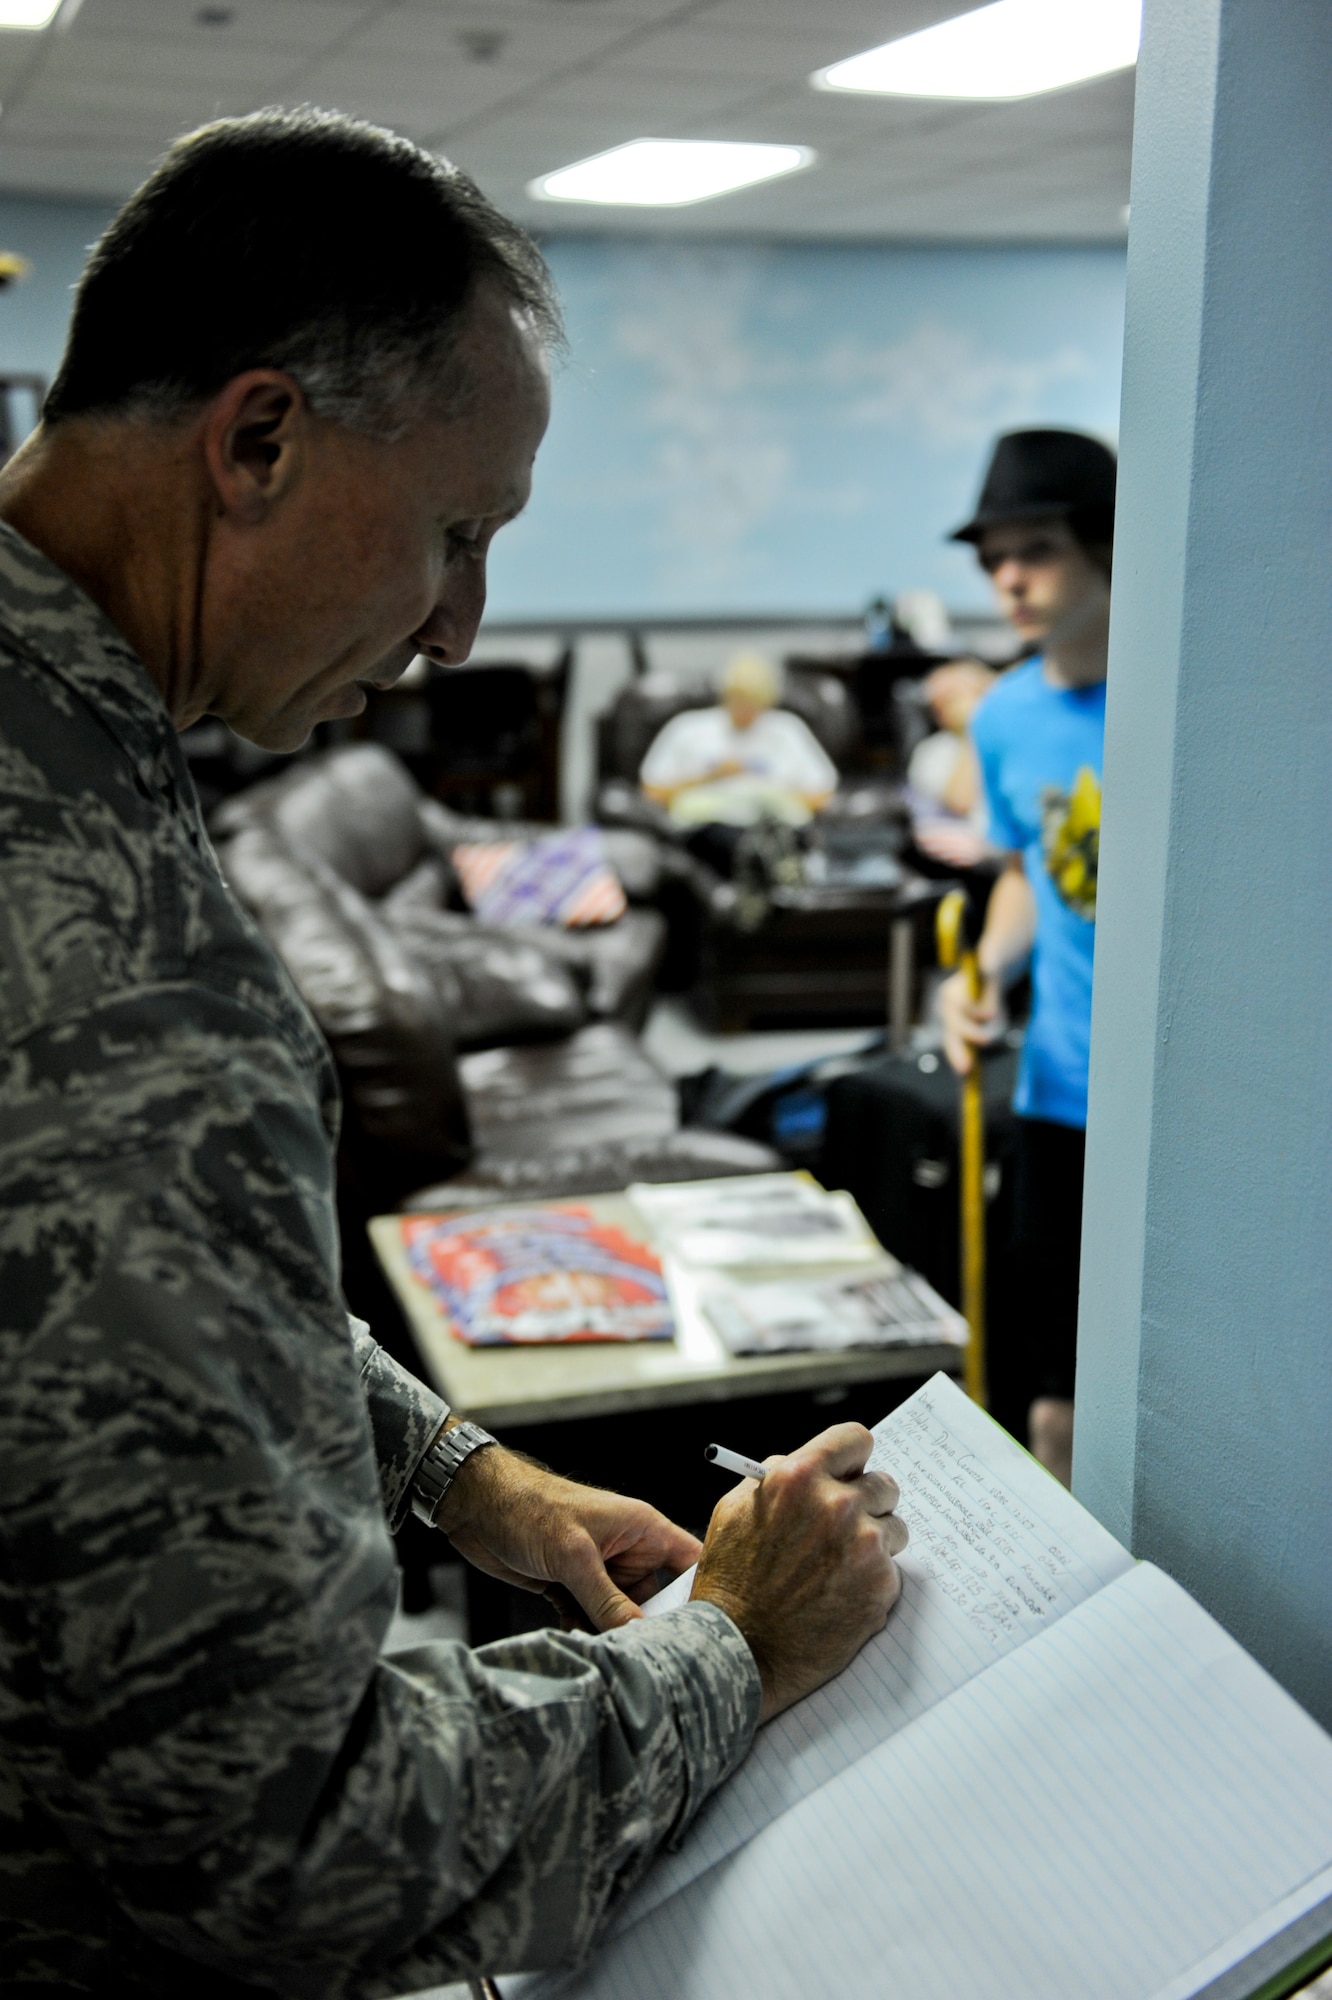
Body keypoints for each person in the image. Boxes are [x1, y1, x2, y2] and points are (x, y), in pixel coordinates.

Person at [0, 112, 908, 1996]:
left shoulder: (69, 746)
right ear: (257, 442)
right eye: (455, 532)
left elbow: (80, 1270)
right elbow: (306, 1858)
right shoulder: (127, 985)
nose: (460, 629)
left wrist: (450, 1467)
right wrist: (732, 1642)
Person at [937, 428, 1116, 1488]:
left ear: (1107, 549)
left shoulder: (1191, 706)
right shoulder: (1003, 716)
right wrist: (982, 975)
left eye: (1037, 549)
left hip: (1180, 1115)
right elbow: (1026, 878)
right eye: (993, 557)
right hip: (1056, 1089)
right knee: (1050, 1404)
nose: (1009, 577)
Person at [640, 650, 837, 829]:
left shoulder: (788, 730)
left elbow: (823, 796)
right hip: (707, 829)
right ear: (724, 695)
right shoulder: (687, 728)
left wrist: (773, 792)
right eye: (737, 699)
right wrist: (709, 777)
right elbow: (652, 791)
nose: (743, 709)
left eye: (752, 702)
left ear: (767, 700)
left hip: (773, 828)